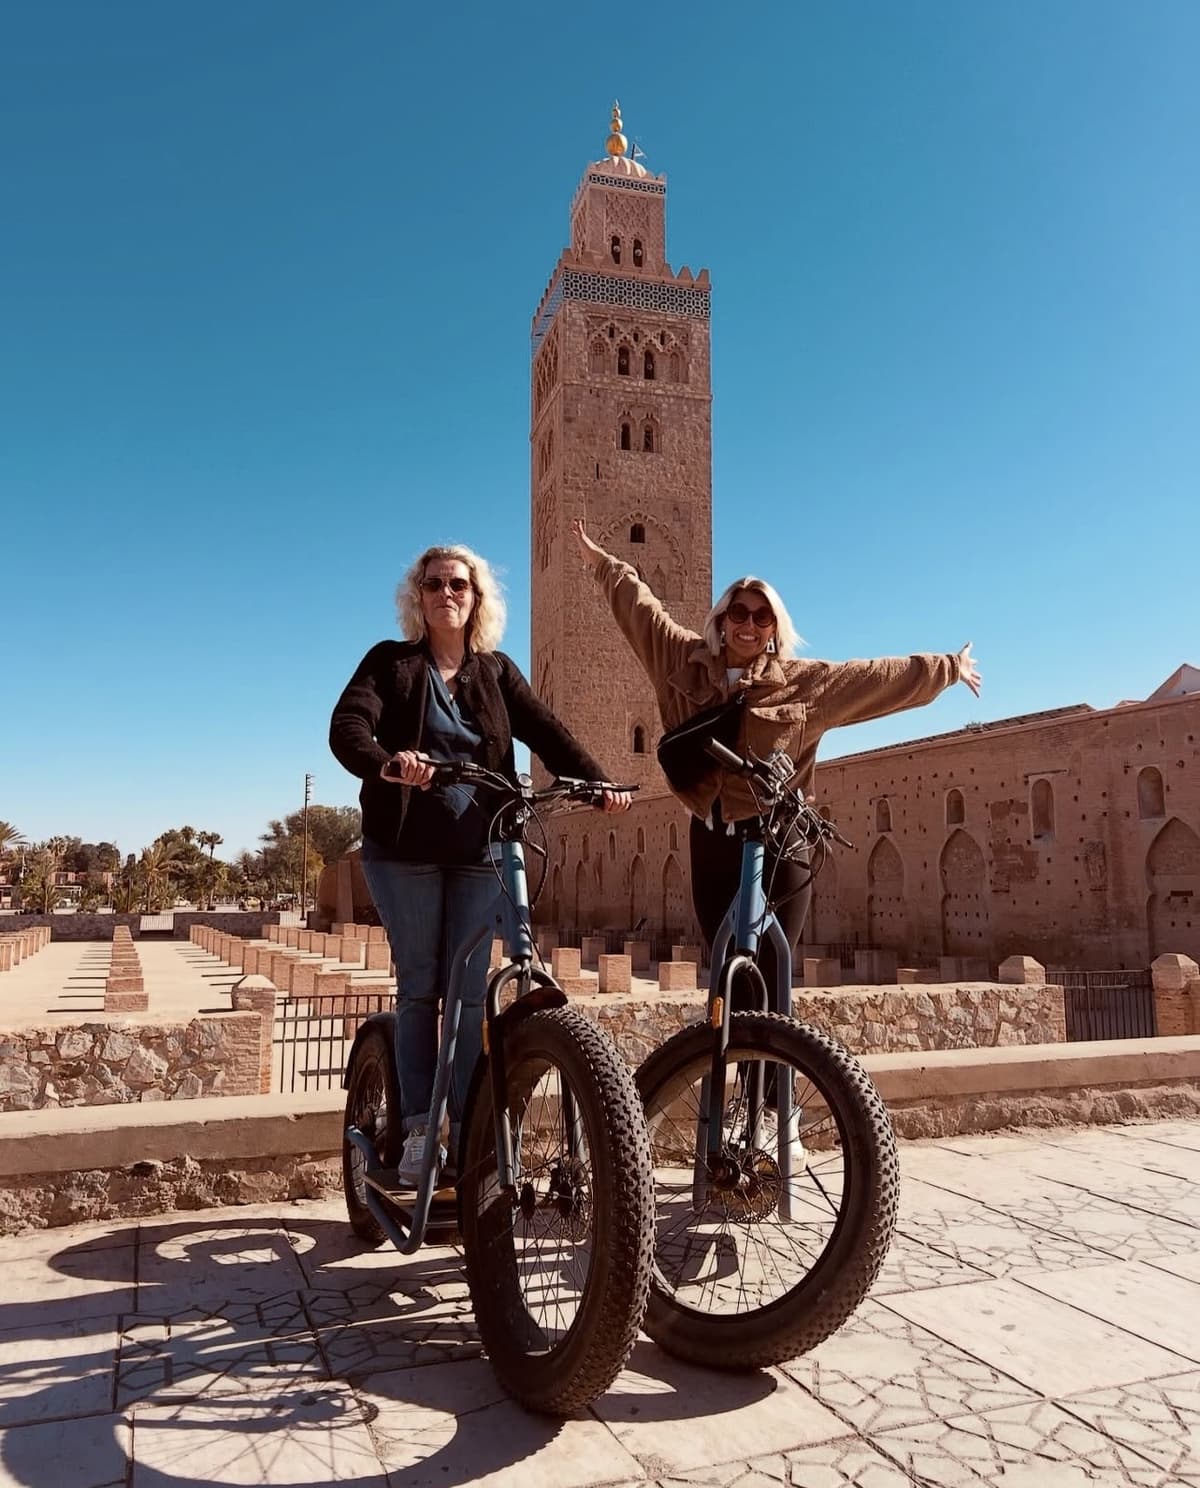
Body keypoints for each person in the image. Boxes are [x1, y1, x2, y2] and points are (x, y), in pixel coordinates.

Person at [572, 518, 981, 1006]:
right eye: (739, 613)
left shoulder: (803, 683)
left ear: (773, 628)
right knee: (726, 978)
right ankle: (729, 1051)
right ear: (722, 619)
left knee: (770, 978)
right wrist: (599, 560)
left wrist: (949, 668)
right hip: (712, 840)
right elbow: (639, 607)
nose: (748, 625)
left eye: (761, 617)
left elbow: (876, 679)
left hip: (779, 840)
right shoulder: (681, 661)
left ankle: (773, 1055)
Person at [330, 543, 630, 1186]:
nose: (447, 593)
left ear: (476, 598)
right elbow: (349, 725)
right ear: (418, 596)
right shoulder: (391, 663)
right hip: (405, 852)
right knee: (422, 988)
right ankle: (419, 1130)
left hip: (481, 850)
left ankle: (468, 1131)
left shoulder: (494, 672)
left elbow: (546, 731)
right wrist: (388, 763)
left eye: (458, 585)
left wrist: (598, 782)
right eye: (434, 584)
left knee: (470, 996)